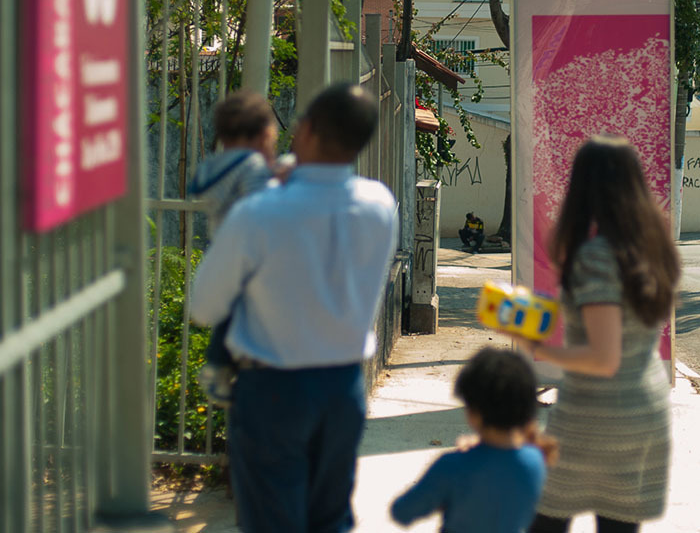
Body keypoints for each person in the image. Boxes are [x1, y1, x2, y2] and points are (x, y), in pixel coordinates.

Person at [191, 83, 398, 533]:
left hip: (271, 392)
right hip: (343, 388)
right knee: (331, 518)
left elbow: (205, 307)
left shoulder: (258, 212)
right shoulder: (381, 205)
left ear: (303, 131)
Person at [511, 136, 681, 533]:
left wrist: (540, 350)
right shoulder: (651, 248)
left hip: (598, 415)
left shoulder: (597, 255)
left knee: (545, 521)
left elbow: (604, 358)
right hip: (645, 408)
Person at [391, 347, 555, 533]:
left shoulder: (452, 466)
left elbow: (401, 512)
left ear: (473, 414)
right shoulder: (536, 461)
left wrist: (443, 496)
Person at [186, 90, 281, 406]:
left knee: (229, 314)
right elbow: (263, 202)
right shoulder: (251, 164)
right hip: (250, 251)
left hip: (223, 244)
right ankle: (218, 367)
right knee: (240, 311)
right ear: (265, 133)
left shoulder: (214, 165)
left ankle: (218, 365)